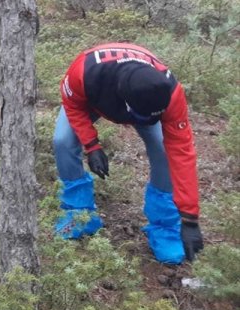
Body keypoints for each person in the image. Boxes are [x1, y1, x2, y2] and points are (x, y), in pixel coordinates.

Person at [53, 43, 204, 264]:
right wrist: (92, 144)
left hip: (140, 102)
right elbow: (72, 104)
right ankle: (78, 213)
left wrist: (190, 219)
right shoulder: (84, 73)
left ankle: (165, 227)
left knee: (164, 150)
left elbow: (181, 153)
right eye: (144, 119)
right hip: (97, 99)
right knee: (62, 141)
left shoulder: (170, 93)